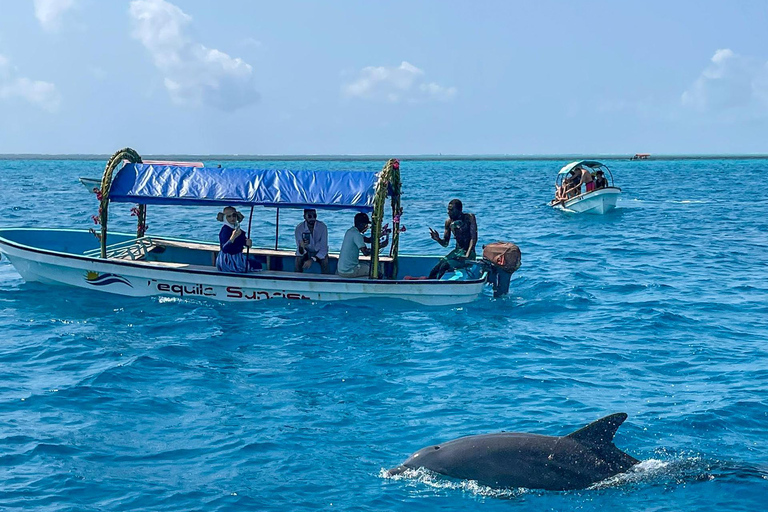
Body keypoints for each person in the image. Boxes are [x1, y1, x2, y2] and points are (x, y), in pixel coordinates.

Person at [428, 199, 478, 279]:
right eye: (448, 209)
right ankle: (429, 285)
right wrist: (437, 239)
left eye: (451, 210)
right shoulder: (448, 222)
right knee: (435, 270)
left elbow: (473, 238)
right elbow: (445, 244)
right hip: (457, 252)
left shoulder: (469, 218)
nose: (448, 212)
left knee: (444, 266)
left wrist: (467, 255)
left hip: (469, 252)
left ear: (459, 210)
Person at [337, 212, 389, 278]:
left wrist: (381, 234)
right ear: (361, 224)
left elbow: (369, 240)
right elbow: (366, 253)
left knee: (367, 265)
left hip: (342, 269)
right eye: (366, 225)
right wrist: (380, 246)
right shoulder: (357, 235)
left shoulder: (350, 231)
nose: (367, 227)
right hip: (349, 271)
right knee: (375, 271)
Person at [215, 206, 255, 273]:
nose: (232, 218)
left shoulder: (238, 229)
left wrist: (248, 243)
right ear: (225, 218)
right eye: (229, 216)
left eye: (234, 215)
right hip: (227, 260)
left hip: (238, 257)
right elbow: (225, 248)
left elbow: (243, 242)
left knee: (256, 264)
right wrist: (233, 237)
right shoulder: (225, 231)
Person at [294, 208, 330, 273]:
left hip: (318, 252)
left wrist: (312, 259)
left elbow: (323, 249)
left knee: (325, 260)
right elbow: (301, 251)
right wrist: (301, 247)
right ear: (304, 217)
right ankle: (297, 279)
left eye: (314, 216)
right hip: (306, 252)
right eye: (310, 216)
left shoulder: (322, 227)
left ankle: (325, 280)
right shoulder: (299, 228)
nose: (312, 219)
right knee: (298, 259)